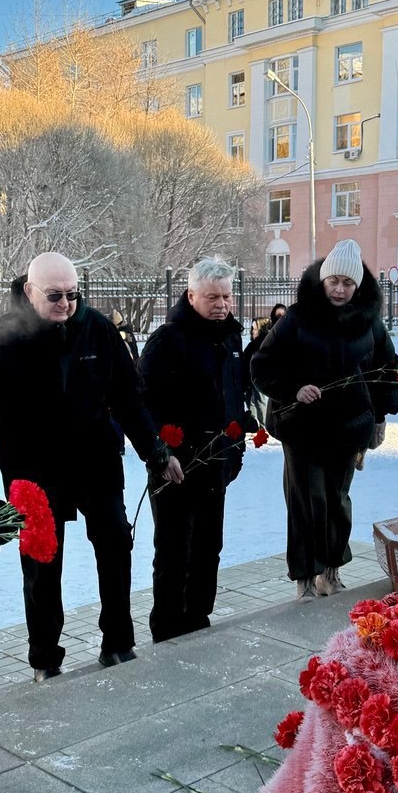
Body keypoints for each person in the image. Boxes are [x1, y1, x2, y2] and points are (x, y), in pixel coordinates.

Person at [0, 252, 182, 686]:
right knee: (42, 563)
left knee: (115, 542)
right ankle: (44, 657)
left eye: (73, 295)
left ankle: (118, 641)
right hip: (33, 469)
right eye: (55, 296)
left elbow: (128, 398)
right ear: (30, 291)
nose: (65, 305)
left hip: (96, 459)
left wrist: (154, 451)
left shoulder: (96, 329)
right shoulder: (1, 338)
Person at [252, 239, 398, 602]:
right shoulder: (298, 318)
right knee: (306, 499)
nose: (339, 289)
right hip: (303, 429)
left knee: (337, 500)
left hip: (349, 428)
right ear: (322, 280)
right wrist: (293, 388)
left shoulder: (369, 323)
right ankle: (305, 579)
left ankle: (331, 573)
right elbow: (262, 365)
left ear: (357, 286)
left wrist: (380, 417)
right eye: (333, 280)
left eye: (347, 283)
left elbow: (387, 368)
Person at [138, 256, 254, 643]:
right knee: (174, 552)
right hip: (174, 466)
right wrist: (161, 453)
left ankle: (198, 622)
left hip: (214, 463)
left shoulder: (232, 337)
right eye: (212, 297)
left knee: (208, 548)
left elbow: (235, 396)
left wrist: (235, 448)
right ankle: (168, 630)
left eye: (226, 296)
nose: (221, 304)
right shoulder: (168, 338)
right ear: (191, 295)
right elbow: (141, 402)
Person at [242, 303, 287, 426]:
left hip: (271, 377)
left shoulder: (281, 334)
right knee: (251, 401)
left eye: (283, 314)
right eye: (278, 315)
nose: (252, 331)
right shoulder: (260, 341)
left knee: (260, 400)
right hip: (254, 376)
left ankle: (262, 426)